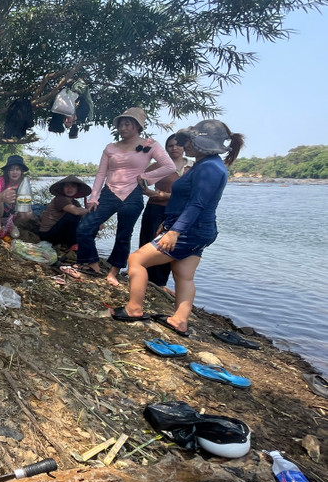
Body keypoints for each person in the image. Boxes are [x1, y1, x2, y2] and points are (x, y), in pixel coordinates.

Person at [113, 120, 245, 335]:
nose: (186, 145)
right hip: (197, 229)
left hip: (191, 229)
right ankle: (179, 321)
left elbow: (198, 203)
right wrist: (169, 222)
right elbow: (186, 200)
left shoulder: (210, 167)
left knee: (136, 260)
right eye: (187, 140)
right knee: (183, 274)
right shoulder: (205, 165)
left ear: (206, 144)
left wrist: (175, 231)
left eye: (191, 141)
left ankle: (133, 309)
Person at [75, 107, 176, 286]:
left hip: (133, 195)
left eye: (127, 124)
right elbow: (101, 174)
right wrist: (93, 198)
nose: (122, 128)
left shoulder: (150, 145)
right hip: (109, 193)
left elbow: (169, 166)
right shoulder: (111, 148)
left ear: (137, 126)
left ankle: (113, 272)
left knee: (123, 235)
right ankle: (93, 263)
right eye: (120, 125)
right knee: (85, 227)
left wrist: (145, 177)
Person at [137, 134, 191, 290]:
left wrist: (167, 195)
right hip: (156, 208)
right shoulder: (159, 165)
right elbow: (140, 179)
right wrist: (148, 192)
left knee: (167, 246)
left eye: (178, 145)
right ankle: (142, 277)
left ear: (184, 147)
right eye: (170, 145)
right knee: (148, 241)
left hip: (178, 212)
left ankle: (160, 283)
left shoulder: (191, 167)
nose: (174, 148)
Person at [37, 175, 91, 247]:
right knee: (73, 216)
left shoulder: (75, 203)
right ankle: (72, 244)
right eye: (67, 186)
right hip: (48, 234)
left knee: (88, 224)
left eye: (73, 186)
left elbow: (85, 216)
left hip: (60, 233)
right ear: (62, 188)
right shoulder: (59, 199)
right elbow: (76, 211)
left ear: (77, 189)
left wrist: (97, 221)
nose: (70, 189)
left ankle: (77, 244)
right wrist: (88, 211)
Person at [0, 154, 33, 235]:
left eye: (17, 169)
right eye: (11, 169)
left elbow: (26, 201)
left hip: (13, 213)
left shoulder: (24, 183)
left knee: (28, 212)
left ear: (21, 171)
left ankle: (11, 224)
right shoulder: (0, 180)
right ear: (7, 172)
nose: (15, 172)